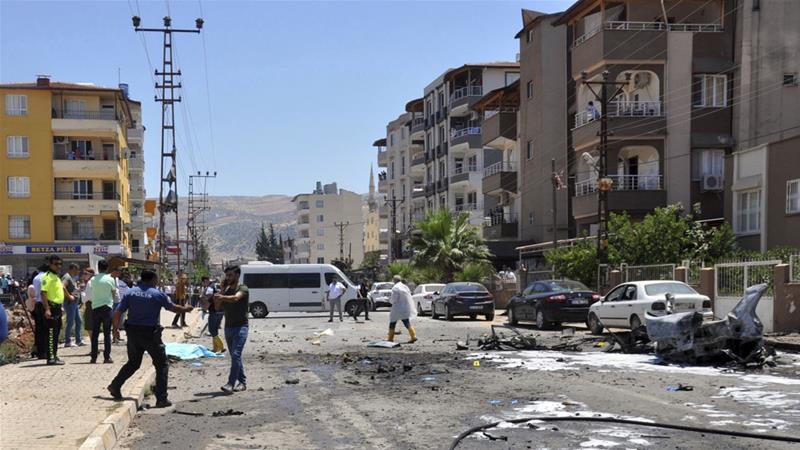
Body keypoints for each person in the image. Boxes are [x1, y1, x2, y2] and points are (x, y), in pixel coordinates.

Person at [107, 269, 193, 408]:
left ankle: (115, 385)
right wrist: (186, 309)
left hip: (133, 333)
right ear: (153, 279)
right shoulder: (157, 294)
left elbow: (118, 311)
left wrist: (115, 330)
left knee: (133, 363)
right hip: (150, 335)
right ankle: (161, 399)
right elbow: (172, 308)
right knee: (162, 364)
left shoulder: (131, 292)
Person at [214, 265, 249, 394]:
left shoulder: (243, 288)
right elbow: (217, 307)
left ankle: (230, 383)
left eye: (230, 275)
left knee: (235, 355)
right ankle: (243, 382)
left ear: (237, 275)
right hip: (228, 327)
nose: (228, 278)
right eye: (226, 275)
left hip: (241, 327)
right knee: (235, 357)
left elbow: (236, 298)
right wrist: (222, 291)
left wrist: (222, 297)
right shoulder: (226, 290)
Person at [40, 254, 69, 365]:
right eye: (56, 264)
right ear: (50, 264)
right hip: (51, 308)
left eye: (60, 264)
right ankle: (50, 358)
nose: (59, 266)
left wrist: (60, 306)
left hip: (57, 308)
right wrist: (47, 309)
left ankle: (55, 355)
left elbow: (58, 292)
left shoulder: (56, 277)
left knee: (56, 333)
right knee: (51, 334)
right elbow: (43, 293)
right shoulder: (47, 277)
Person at [89, 260, 117, 364]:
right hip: (107, 308)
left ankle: (93, 357)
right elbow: (114, 293)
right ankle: (107, 357)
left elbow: (91, 291)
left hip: (95, 308)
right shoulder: (111, 279)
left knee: (95, 334)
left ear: (98, 268)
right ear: (107, 268)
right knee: (107, 334)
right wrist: (111, 301)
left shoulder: (92, 279)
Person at [386, 275, 417, 344]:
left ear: (394, 280)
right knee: (406, 322)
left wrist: (389, 300)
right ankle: (413, 336)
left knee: (392, 322)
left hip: (397, 308)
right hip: (405, 307)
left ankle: (390, 338)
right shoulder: (405, 287)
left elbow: (394, 299)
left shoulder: (395, 288)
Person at [62, 263, 84, 347]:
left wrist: (78, 290)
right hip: (70, 303)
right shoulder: (67, 277)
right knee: (70, 322)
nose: (78, 271)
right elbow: (62, 286)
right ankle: (68, 341)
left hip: (74, 304)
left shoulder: (72, 278)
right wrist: (69, 296)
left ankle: (78, 340)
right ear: (72, 269)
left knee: (79, 321)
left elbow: (72, 290)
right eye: (77, 269)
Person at [28, 266, 47, 359]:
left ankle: (40, 351)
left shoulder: (36, 278)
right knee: (47, 329)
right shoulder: (46, 277)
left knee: (39, 329)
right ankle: (45, 351)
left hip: (37, 306)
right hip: (45, 304)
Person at [203, 276, 225, 353]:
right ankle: (215, 349)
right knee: (215, 330)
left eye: (203, 283)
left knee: (211, 330)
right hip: (221, 311)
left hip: (214, 311)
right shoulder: (218, 285)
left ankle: (221, 346)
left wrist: (204, 309)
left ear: (206, 281)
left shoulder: (210, 288)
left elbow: (209, 297)